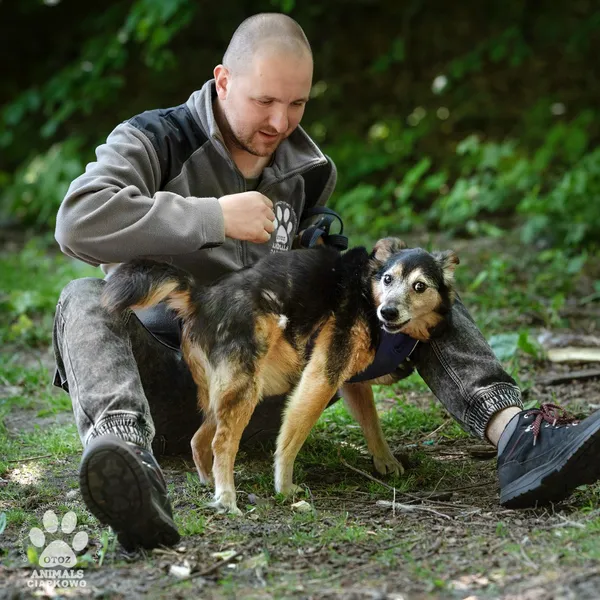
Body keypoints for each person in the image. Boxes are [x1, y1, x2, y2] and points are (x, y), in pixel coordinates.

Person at [52, 13, 600, 551]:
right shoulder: (156, 139)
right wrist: (212, 216)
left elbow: (331, 301)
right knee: (81, 298)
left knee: (418, 286)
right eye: (263, 101)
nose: (279, 122)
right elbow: (77, 221)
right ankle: (127, 458)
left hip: (265, 390)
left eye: (296, 104)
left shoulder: (308, 168)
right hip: (163, 371)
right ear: (223, 80)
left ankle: (516, 436)